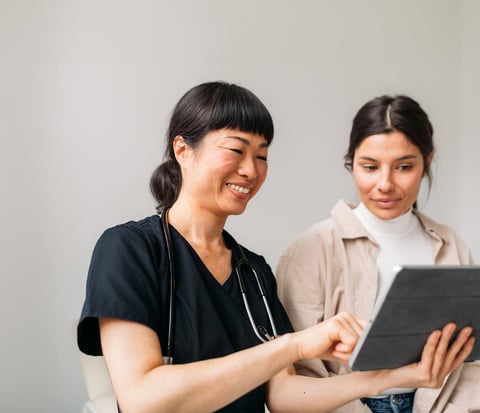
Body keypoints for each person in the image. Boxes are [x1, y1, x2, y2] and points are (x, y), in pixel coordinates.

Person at [76, 82, 474, 413]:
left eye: (261, 155)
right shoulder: (129, 249)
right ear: (182, 150)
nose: (250, 170)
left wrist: (397, 377)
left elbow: (282, 396)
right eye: (236, 150)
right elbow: (143, 400)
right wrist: (295, 344)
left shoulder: (253, 271)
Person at [276, 94, 480, 413]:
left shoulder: (450, 244)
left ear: (427, 162)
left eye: (404, 167)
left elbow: (469, 360)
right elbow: (301, 374)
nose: (385, 184)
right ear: (351, 162)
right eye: (369, 166)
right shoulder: (310, 248)